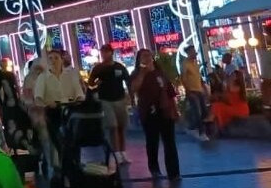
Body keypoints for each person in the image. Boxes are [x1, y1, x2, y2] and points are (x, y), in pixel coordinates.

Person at [133, 48, 180, 180]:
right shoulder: (137, 73)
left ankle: (174, 172)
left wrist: (175, 110)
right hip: (149, 112)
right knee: (152, 141)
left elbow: (170, 92)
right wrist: (143, 73)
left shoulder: (161, 73)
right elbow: (134, 88)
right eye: (144, 56)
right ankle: (154, 168)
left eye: (149, 55)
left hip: (164, 110)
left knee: (169, 141)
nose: (147, 58)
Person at [33, 50, 82, 175]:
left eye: (56, 58)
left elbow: (79, 93)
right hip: (53, 112)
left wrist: (79, 99)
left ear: (61, 59)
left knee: (74, 141)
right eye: (50, 58)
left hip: (70, 111)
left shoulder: (70, 75)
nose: (53, 61)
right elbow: (38, 97)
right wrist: (47, 103)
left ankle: (75, 167)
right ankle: (65, 171)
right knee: (60, 142)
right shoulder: (43, 77)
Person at [87, 44, 133, 162]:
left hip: (120, 99)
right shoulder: (98, 68)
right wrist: (97, 83)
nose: (104, 55)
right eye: (102, 52)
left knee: (121, 126)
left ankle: (123, 151)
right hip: (106, 100)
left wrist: (131, 97)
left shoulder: (119, 67)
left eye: (106, 52)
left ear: (111, 53)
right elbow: (91, 82)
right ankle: (117, 152)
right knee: (113, 126)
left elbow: (128, 81)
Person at [179, 45, 211, 141]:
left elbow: (198, 76)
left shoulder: (195, 63)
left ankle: (193, 128)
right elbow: (183, 78)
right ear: (189, 52)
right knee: (197, 111)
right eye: (193, 51)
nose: (195, 53)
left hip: (199, 90)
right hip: (192, 90)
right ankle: (201, 132)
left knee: (204, 111)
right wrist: (188, 90)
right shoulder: (185, 64)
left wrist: (204, 86)